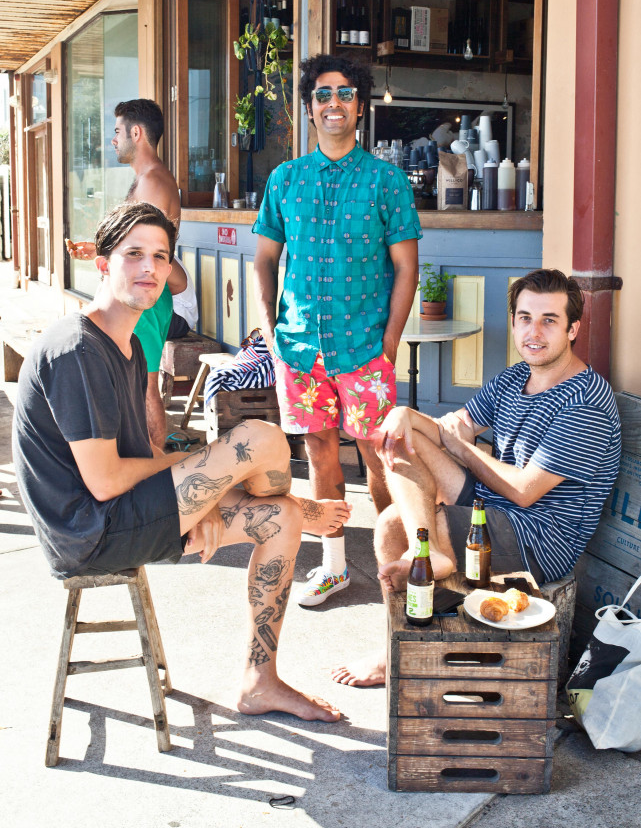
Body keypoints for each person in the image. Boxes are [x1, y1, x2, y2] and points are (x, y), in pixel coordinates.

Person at [14, 201, 350, 721]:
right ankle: (295, 504)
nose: (150, 267)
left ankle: (259, 682)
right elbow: (104, 481)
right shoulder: (76, 351)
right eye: (134, 255)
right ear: (102, 264)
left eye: (161, 256)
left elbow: (143, 456)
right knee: (260, 437)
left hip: (127, 513)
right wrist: (206, 481)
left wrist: (205, 498)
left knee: (278, 517)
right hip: (90, 531)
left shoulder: (126, 346)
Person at [331, 268, 621, 686]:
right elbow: (454, 426)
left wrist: (460, 445)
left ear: (573, 329)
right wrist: (403, 416)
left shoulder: (585, 401)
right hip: (493, 507)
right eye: (525, 318)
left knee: (393, 523)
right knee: (400, 447)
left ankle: (396, 651)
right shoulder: (515, 377)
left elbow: (524, 492)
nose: (533, 332)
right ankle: (422, 580)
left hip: (538, 538)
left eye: (549, 320)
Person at [253, 54, 421, 607]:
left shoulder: (386, 181)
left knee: (378, 457)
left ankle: (389, 561)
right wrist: (269, 327)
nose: (334, 104)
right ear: (309, 108)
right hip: (301, 349)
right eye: (324, 95)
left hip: (365, 347)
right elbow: (264, 261)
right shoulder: (285, 180)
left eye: (345, 94)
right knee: (320, 454)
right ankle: (333, 566)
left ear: (360, 106)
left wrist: (390, 343)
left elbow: (406, 268)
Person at [68, 99, 181, 449]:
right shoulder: (145, 180)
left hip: (146, 293)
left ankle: (158, 470)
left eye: (117, 132)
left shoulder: (153, 182)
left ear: (137, 132)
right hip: (140, 293)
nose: (113, 140)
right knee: (135, 381)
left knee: (146, 384)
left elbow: (152, 250)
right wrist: (101, 250)